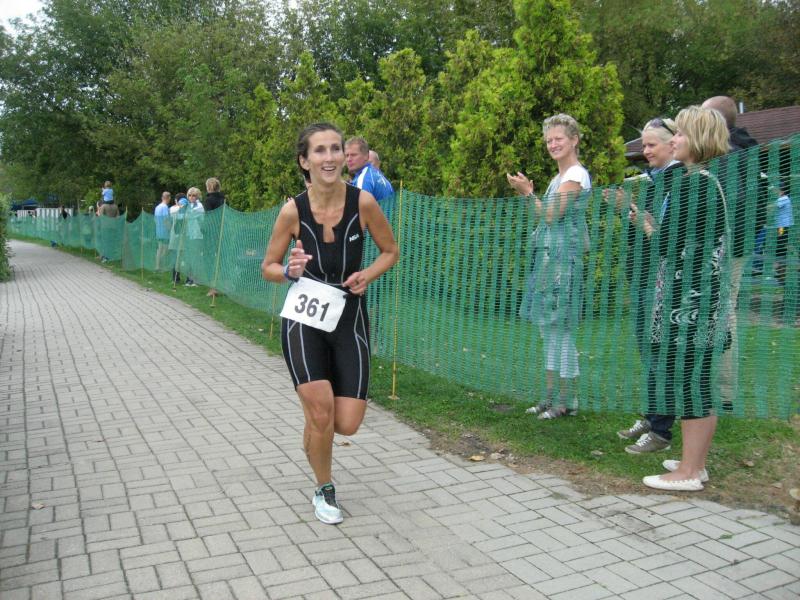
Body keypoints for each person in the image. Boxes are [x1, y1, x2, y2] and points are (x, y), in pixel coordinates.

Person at [261, 122, 398, 524]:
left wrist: (367, 274)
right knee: (322, 413)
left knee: (347, 423)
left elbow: (390, 251)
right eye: (319, 150)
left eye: (336, 148)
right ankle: (324, 489)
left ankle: (315, 429)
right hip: (303, 318)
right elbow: (268, 267)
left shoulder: (363, 202)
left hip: (349, 315)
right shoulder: (293, 211)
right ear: (304, 161)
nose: (330, 157)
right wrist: (289, 272)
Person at [630, 106, 732, 492]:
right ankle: (696, 464)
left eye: (681, 134)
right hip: (701, 302)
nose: (674, 140)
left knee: (689, 383)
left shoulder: (695, 184)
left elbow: (669, 246)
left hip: (690, 306)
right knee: (697, 382)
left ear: (699, 140)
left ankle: (687, 472)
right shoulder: (706, 180)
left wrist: (645, 225)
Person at [507, 113, 591, 419]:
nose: (552, 144)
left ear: (574, 140)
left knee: (560, 332)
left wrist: (529, 194)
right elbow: (542, 216)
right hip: (548, 262)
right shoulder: (559, 178)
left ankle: (566, 401)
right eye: (548, 140)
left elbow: (553, 214)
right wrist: (530, 197)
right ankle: (550, 396)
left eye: (558, 139)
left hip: (563, 265)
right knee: (548, 332)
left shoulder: (576, 175)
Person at [612, 118, 684, 454]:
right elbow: (645, 230)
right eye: (643, 145)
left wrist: (644, 222)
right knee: (649, 352)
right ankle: (652, 415)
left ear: (672, 144)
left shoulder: (679, 182)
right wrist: (630, 213)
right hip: (643, 277)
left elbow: (666, 238)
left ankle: (661, 431)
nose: (645, 151)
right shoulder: (656, 181)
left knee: (660, 353)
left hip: (662, 282)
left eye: (651, 144)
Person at [701, 96, 761, 410]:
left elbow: (730, 206)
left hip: (728, 249)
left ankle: (723, 392)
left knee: (723, 313)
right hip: (730, 246)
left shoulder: (730, 156)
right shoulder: (735, 153)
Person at [344, 137, 394, 205]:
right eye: (347, 155)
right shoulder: (377, 174)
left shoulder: (364, 179)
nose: (349, 159)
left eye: (353, 155)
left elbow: (358, 209)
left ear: (366, 156)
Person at [203, 178, 225, 296]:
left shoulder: (209, 200)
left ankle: (213, 288)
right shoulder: (224, 199)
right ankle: (219, 285)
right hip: (223, 231)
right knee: (220, 260)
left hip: (212, 233)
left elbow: (209, 218)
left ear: (209, 187)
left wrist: (204, 229)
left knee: (210, 260)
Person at [183, 187, 205, 287]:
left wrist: (185, 213)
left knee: (196, 257)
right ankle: (189, 279)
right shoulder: (188, 205)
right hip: (189, 235)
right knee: (189, 257)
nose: (191, 197)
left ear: (197, 196)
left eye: (194, 195)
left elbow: (190, 215)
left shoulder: (199, 206)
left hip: (197, 235)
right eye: (190, 195)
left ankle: (196, 280)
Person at [168, 193, 188, 284]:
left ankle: (176, 279)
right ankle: (176, 278)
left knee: (177, 258)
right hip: (177, 237)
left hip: (179, 238)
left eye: (176, 201)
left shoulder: (175, 209)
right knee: (177, 258)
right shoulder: (176, 209)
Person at [154, 192, 172, 271]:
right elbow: (166, 220)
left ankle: (157, 266)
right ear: (169, 198)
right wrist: (170, 229)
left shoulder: (157, 207)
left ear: (162, 197)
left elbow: (155, 219)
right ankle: (163, 266)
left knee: (159, 249)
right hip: (165, 232)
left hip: (158, 231)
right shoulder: (165, 207)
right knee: (165, 250)